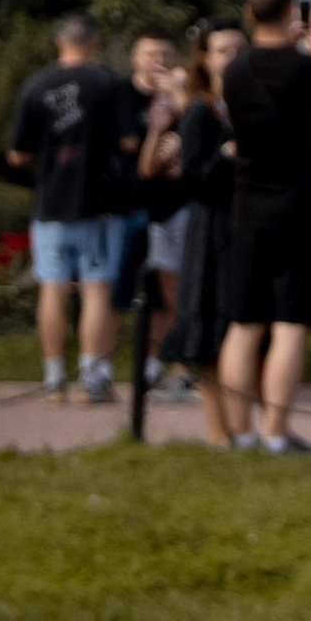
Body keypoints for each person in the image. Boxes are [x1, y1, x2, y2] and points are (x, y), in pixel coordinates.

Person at [219, 0, 311, 455]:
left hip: (249, 203)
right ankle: (276, 432)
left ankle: (241, 433)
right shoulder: (309, 69)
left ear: (251, 12)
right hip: (300, 205)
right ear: (293, 11)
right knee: (290, 321)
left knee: (244, 321)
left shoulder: (233, 71)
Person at [8, 13, 143, 407]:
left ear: (58, 41)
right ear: (94, 43)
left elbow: (17, 152)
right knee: (96, 289)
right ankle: (90, 378)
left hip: (50, 201)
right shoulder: (107, 83)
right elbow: (130, 141)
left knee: (52, 289)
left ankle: (53, 379)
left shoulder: (36, 85)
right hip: (96, 203)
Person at [162, 26, 246, 445]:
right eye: (222, 50)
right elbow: (194, 178)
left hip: (245, 229)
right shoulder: (200, 112)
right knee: (210, 338)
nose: (231, 57)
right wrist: (229, 154)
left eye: (238, 49)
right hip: (212, 230)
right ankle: (219, 434)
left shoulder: (246, 107)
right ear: (205, 58)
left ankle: (245, 429)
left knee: (241, 332)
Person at [127, 32, 191, 398]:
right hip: (145, 210)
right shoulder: (128, 96)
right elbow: (146, 166)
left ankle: (177, 367)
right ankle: (153, 365)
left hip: (180, 209)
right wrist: (157, 131)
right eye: (151, 54)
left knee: (175, 294)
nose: (159, 61)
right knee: (156, 296)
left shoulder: (183, 99)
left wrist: (177, 99)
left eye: (165, 54)